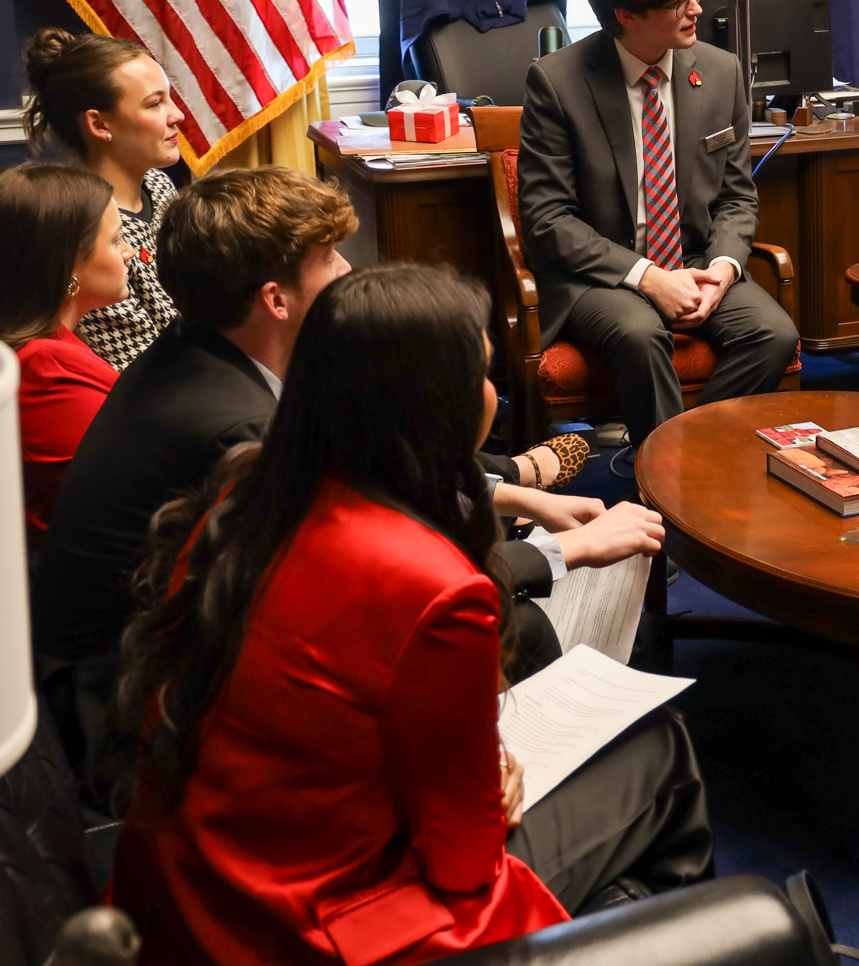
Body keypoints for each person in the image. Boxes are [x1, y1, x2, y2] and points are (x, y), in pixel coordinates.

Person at [110, 265, 713, 962]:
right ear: (434, 409)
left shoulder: (244, 492)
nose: (492, 395)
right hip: (318, 927)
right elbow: (463, 860)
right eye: (480, 375)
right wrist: (491, 786)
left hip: (190, 887)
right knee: (662, 747)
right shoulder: (434, 585)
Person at [35, 167, 651, 673]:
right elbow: (367, 591)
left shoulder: (209, 347)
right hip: (151, 687)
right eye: (328, 258)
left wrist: (518, 498)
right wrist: (566, 550)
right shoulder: (236, 429)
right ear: (275, 300)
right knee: (517, 627)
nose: (347, 271)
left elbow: (361, 478)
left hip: (202, 634)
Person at [517, 0, 800, 452]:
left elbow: (737, 196)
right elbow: (548, 220)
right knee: (640, 333)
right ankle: (669, 476)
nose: (697, 9)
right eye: (679, 1)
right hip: (601, 274)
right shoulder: (557, 82)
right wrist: (648, 277)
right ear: (627, 13)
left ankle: (690, 462)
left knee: (774, 334)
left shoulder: (720, 71)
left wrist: (723, 268)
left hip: (695, 260)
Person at [0, 164, 132, 541]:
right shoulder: (45, 370)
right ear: (68, 264)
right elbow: (125, 495)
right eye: (116, 240)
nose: (128, 252)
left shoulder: (42, 343)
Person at [21, 28, 184, 369]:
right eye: (155, 103)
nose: (177, 115)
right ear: (99, 124)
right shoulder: (87, 229)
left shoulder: (159, 186)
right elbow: (144, 368)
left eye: (169, 98)